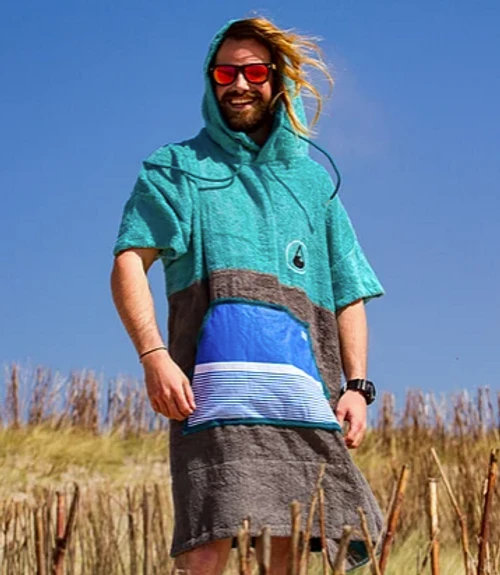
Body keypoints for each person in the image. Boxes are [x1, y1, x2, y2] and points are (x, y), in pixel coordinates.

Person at [111, 16, 385, 575]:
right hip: (210, 403)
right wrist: (154, 356)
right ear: (210, 80)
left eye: (255, 72)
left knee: (287, 544)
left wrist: (357, 387)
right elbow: (129, 262)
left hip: (302, 405)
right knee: (205, 547)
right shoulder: (176, 168)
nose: (238, 84)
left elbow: (349, 291)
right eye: (225, 73)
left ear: (277, 81)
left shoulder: (313, 183)